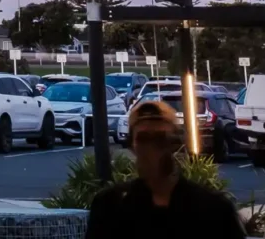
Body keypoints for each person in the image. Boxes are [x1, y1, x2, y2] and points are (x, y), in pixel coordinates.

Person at [86, 99, 242, 238]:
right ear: (132, 145)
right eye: (144, 139)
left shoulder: (214, 210)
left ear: (174, 144)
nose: (152, 148)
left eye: (160, 139)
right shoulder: (109, 207)